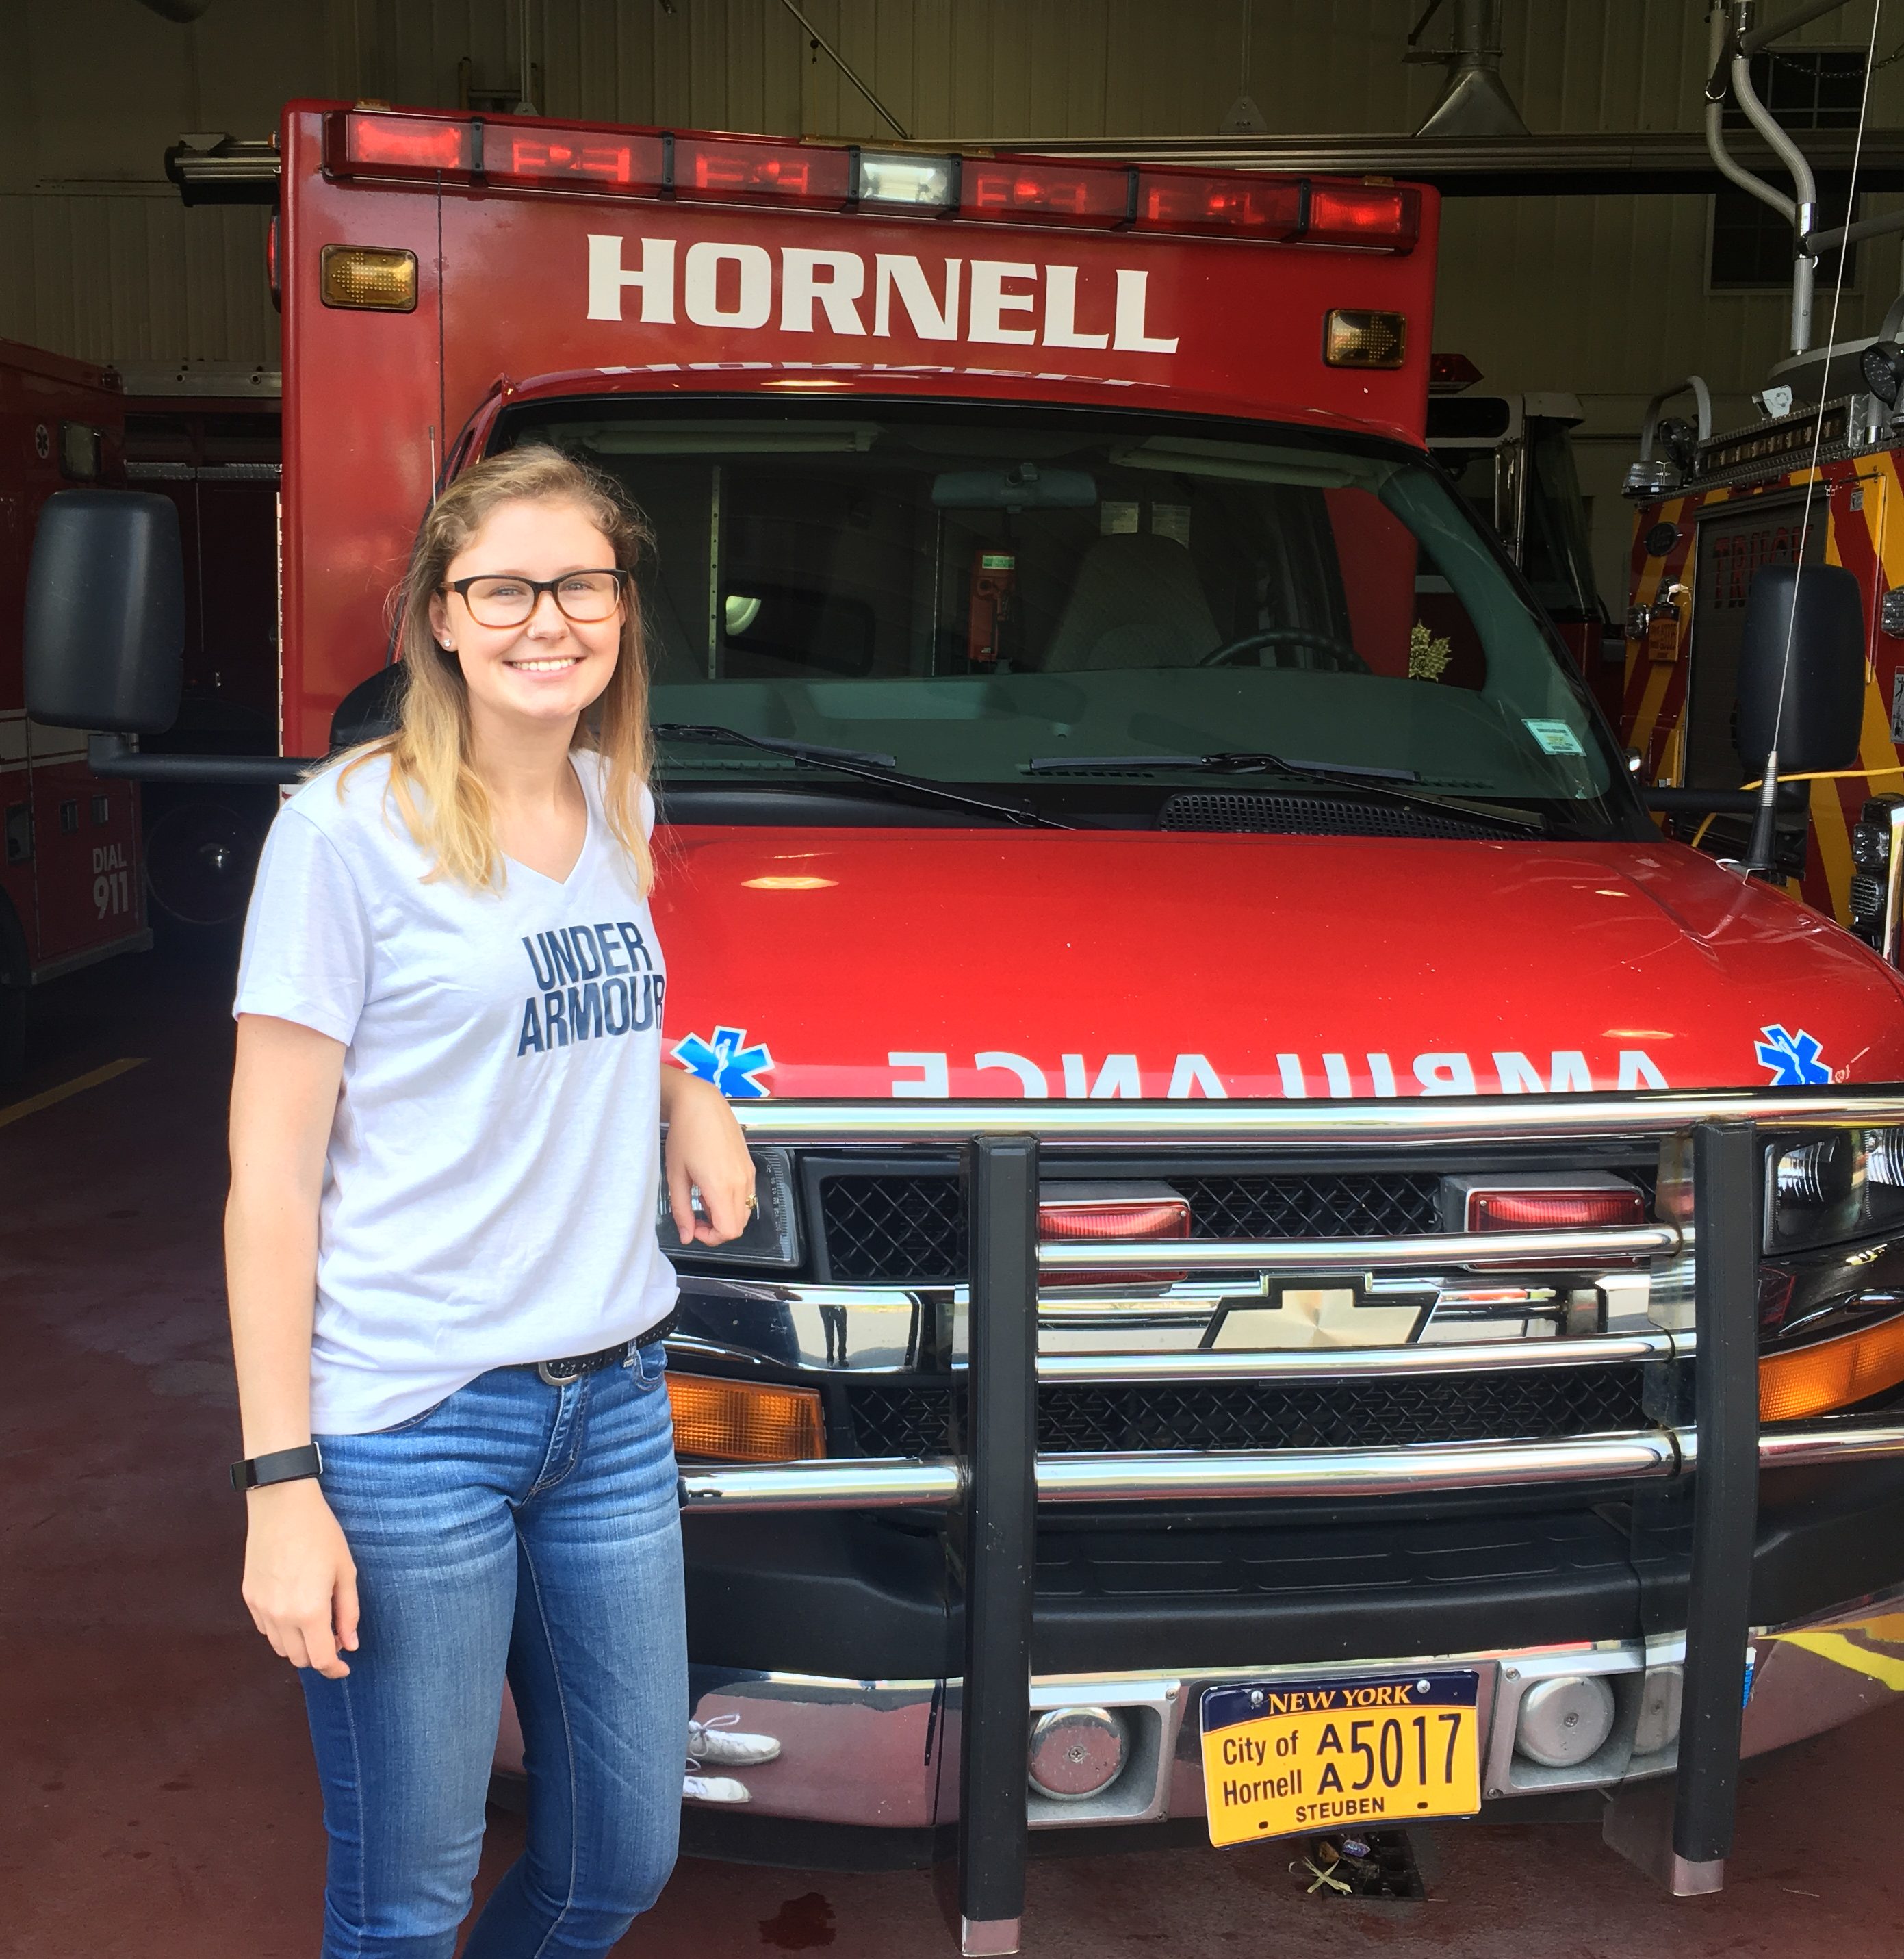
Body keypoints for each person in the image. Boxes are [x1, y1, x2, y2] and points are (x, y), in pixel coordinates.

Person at [224, 444, 755, 1958]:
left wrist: (681, 1091)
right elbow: (267, 1182)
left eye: (580, 583)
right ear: (439, 617)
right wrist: (279, 1486)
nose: (549, 619)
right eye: (503, 588)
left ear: (622, 605)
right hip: (410, 1427)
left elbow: (566, 1020)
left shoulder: (612, 801)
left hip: (612, 1407)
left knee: (618, 1860)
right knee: (404, 1903)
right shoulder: (340, 834)